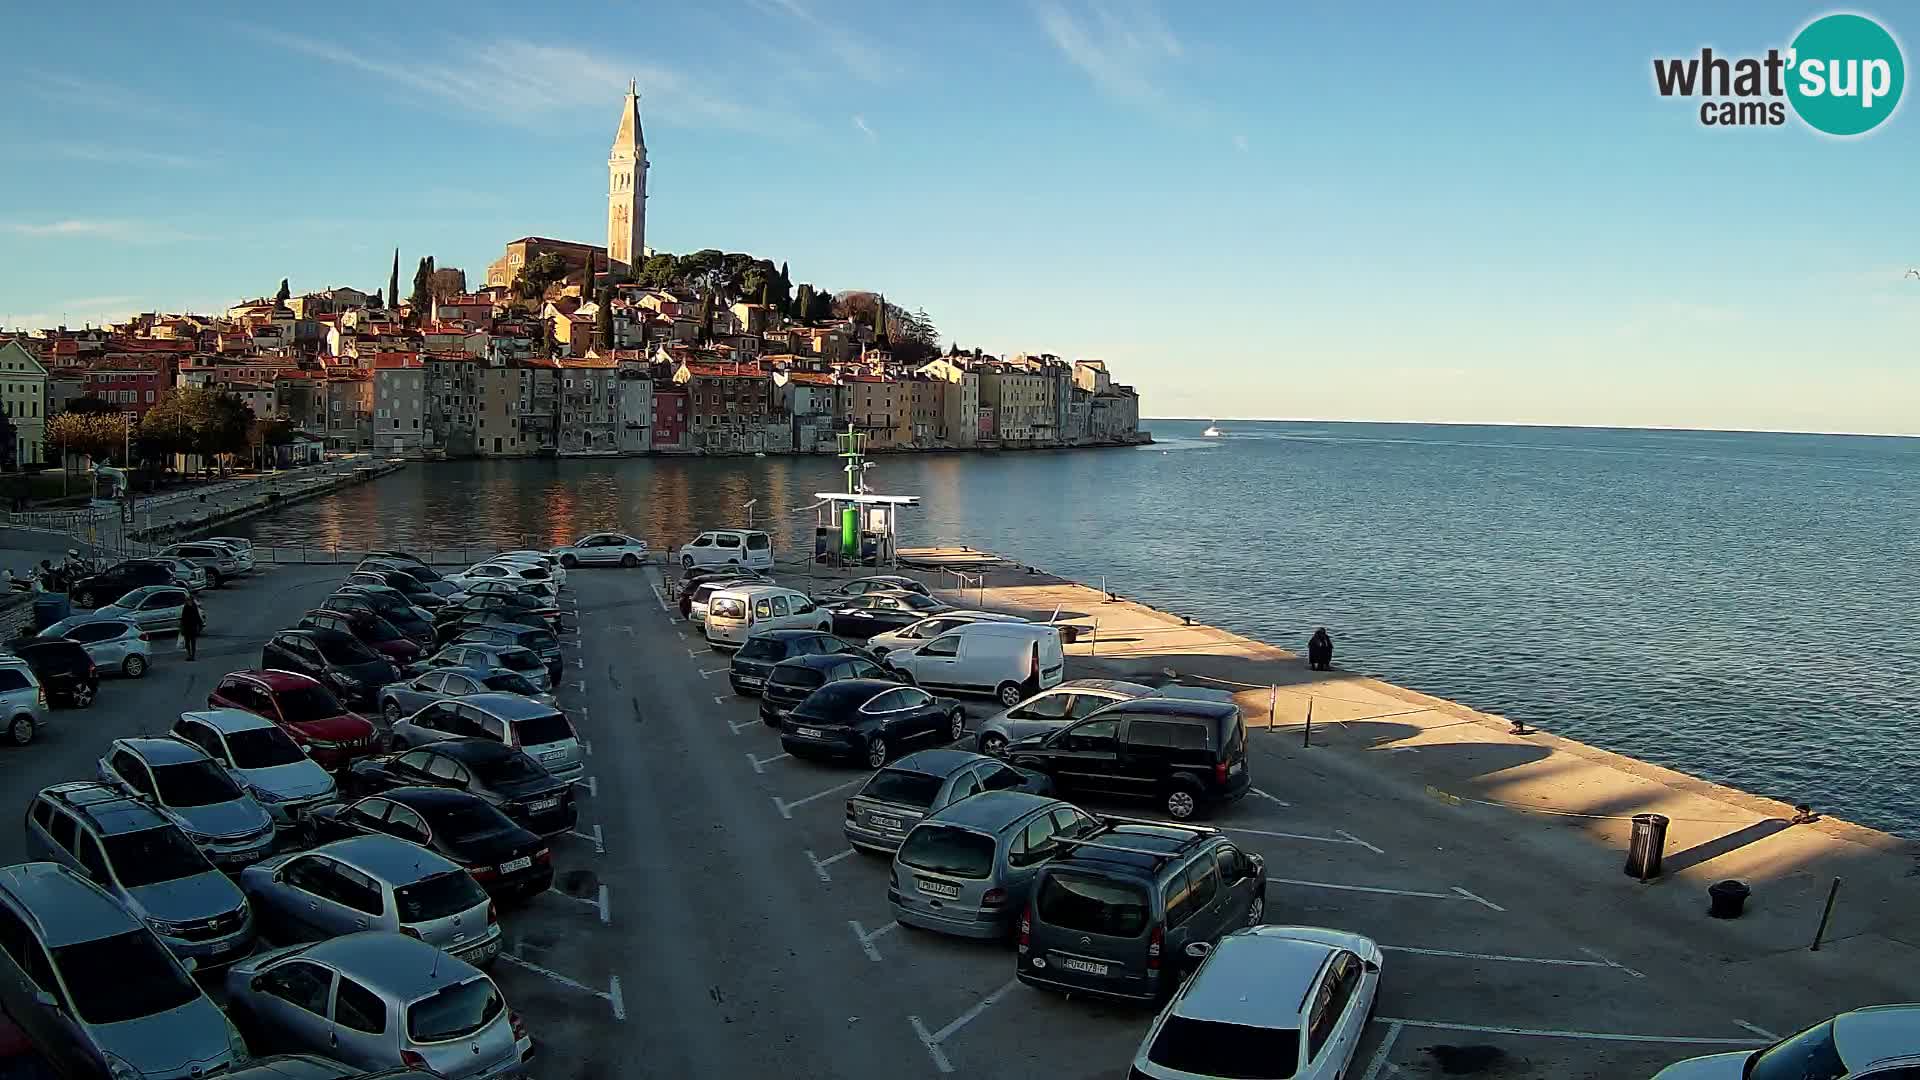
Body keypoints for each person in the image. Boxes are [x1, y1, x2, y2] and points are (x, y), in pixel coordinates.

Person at [180, 597, 204, 661]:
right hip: (187, 627)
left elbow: (197, 616)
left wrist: (200, 624)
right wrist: (182, 627)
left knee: (193, 642)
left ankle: (192, 656)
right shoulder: (186, 607)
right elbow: (183, 618)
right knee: (187, 643)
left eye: (188, 601)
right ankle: (189, 655)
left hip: (192, 627)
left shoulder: (194, 607)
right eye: (187, 601)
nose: (188, 602)